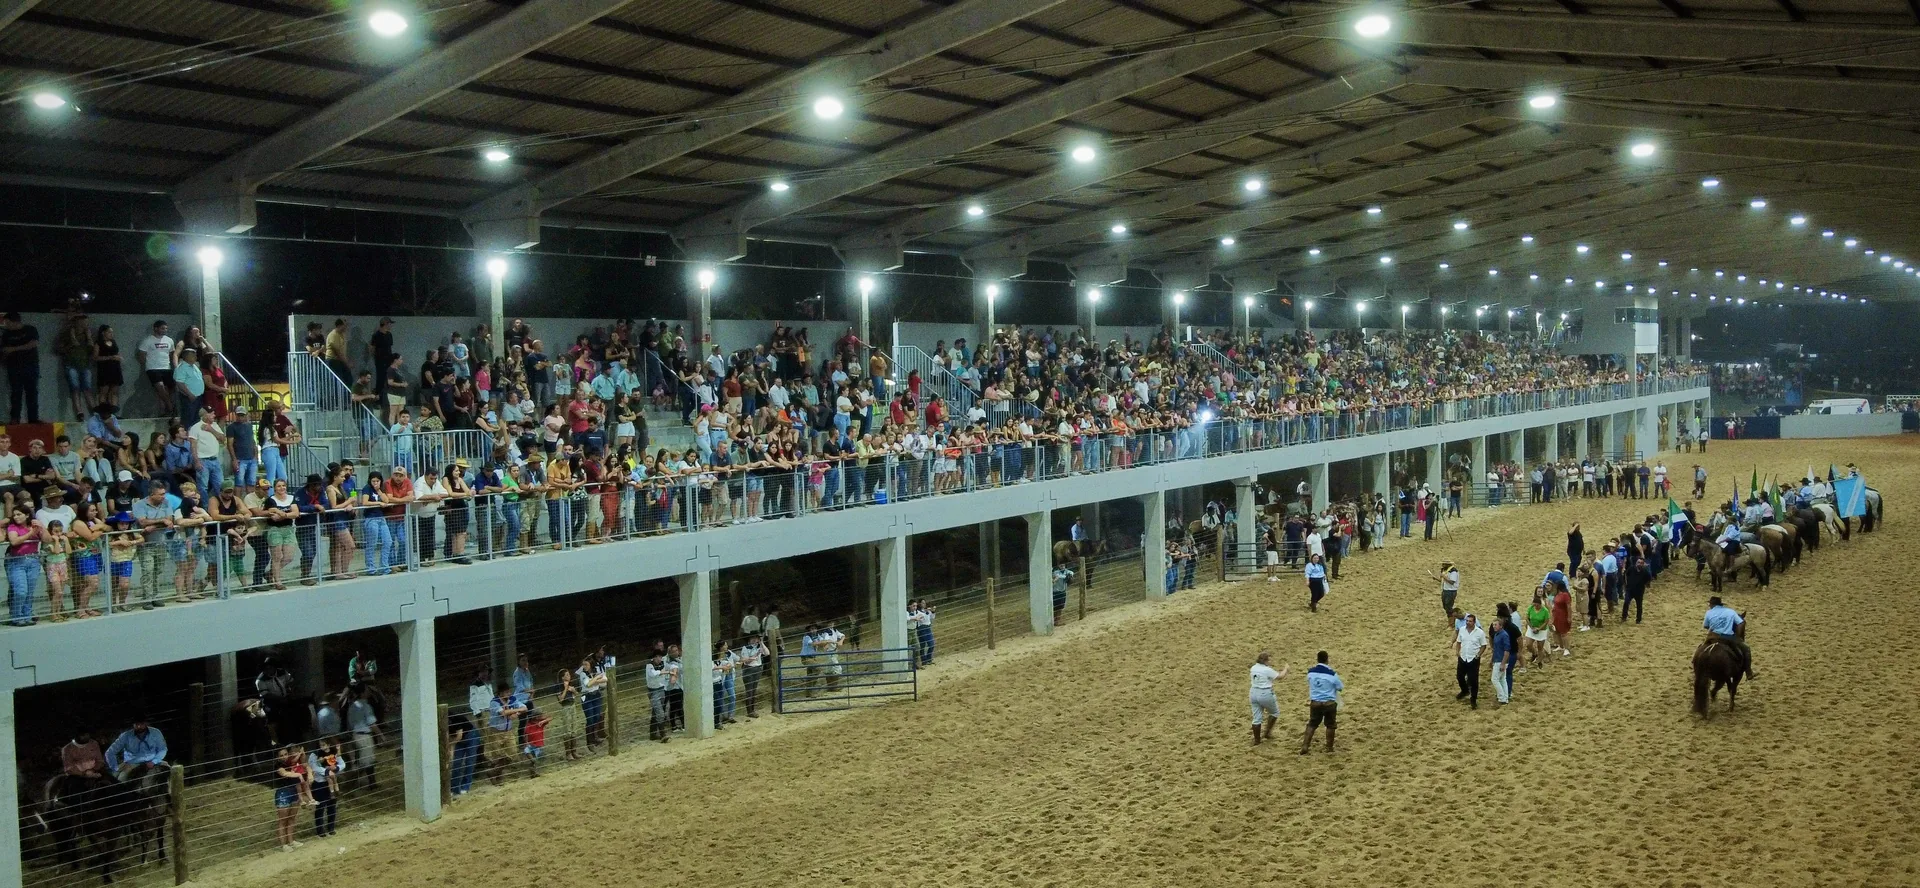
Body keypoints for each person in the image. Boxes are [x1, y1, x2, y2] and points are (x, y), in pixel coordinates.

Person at [1, 312, 42, 423]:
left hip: (30, 365)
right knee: (15, 393)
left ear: (13, 321)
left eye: (7, 322)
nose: (6, 325)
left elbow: (33, 344)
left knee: (32, 392)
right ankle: (15, 418)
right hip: (13, 367)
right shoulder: (6, 335)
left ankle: (33, 418)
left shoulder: (30, 329)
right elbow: (4, 350)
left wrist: (13, 349)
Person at [1703, 596, 1754, 680]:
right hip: (1727, 637)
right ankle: (1748, 672)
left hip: (1713, 636)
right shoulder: (1730, 612)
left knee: (1701, 648)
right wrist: (1737, 636)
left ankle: (1695, 664)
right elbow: (1741, 623)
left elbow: (1706, 626)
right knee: (1746, 649)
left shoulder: (1709, 612)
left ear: (1712, 604)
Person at [1301, 650, 1342, 754]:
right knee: (1330, 725)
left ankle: (1305, 745)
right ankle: (1329, 747)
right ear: (1327, 660)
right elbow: (1340, 687)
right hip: (1329, 703)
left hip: (1315, 702)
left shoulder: (1310, 672)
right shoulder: (1332, 674)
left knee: (1312, 724)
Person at [272, 744, 310, 852]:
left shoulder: (290, 762)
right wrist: (298, 775)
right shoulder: (278, 766)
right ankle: (284, 845)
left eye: (286, 754)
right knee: (282, 821)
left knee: (292, 818)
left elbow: (302, 762)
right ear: (277, 757)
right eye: (281, 755)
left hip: (294, 792)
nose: (284, 756)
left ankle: (291, 841)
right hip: (283, 794)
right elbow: (284, 773)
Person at [106, 715, 168, 779]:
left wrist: (154, 761)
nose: (139, 726)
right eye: (136, 724)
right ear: (133, 725)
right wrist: (115, 768)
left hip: (153, 761)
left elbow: (163, 749)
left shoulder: (156, 732)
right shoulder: (125, 736)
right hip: (133, 764)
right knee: (122, 778)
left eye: (141, 724)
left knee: (170, 771)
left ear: (146, 723)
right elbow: (110, 752)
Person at [307, 737, 346, 838]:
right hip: (320, 783)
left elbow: (342, 763)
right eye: (321, 745)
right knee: (320, 807)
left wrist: (336, 768)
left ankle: (331, 828)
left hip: (332, 780)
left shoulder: (333, 752)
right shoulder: (314, 755)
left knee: (332, 806)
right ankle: (320, 830)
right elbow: (315, 767)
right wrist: (327, 771)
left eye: (325, 744)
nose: (323, 746)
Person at [1247, 651, 1288, 746]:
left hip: (1253, 692)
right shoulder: (1267, 670)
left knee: (1256, 718)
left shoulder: (1253, 668)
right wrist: (1286, 669)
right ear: (1265, 661)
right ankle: (1267, 733)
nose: (1270, 661)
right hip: (1265, 693)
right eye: (1269, 660)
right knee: (1274, 712)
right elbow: (1280, 676)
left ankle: (1257, 740)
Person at [1453, 613, 1488, 709]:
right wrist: (1457, 652)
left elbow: (1483, 645)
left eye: (1470, 621)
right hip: (1463, 657)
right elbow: (1459, 642)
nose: (1468, 623)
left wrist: (1478, 655)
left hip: (1473, 659)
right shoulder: (1462, 630)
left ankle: (1473, 699)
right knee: (1459, 676)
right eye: (1467, 621)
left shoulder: (1479, 633)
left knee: (1473, 681)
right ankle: (1464, 690)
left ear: (1474, 622)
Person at [644, 650, 671, 743]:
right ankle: (663, 733)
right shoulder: (649, 665)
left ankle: (653, 733)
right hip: (654, 691)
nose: (660, 659)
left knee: (656, 712)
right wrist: (663, 672)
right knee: (660, 712)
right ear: (654, 657)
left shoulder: (660, 664)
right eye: (659, 657)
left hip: (660, 689)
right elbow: (652, 674)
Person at [1488, 615, 1516, 705]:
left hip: (1501, 660)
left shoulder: (1504, 635)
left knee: (1495, 679)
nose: (1494, 626)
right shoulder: (1497, 634)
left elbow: (1507, 650)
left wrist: (1503, 663)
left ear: (1500, 626)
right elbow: (1496, 649)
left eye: (1495, 625)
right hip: (1498, 659)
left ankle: (1501, 698)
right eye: (1493, 625)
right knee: (1502, 679)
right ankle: (1505, 697)